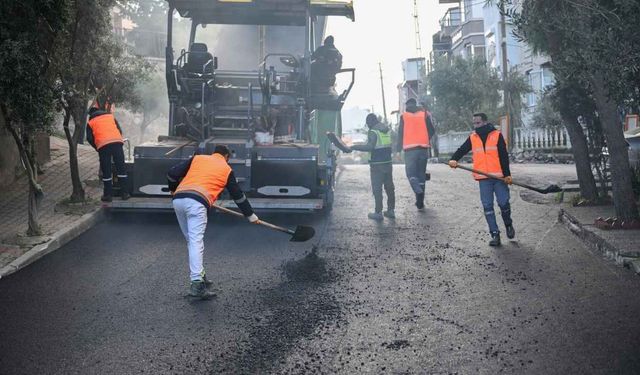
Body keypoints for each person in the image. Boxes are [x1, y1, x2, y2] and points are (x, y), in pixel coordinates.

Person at [167, 145, 260, 299]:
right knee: (196, 241)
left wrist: (173, 190)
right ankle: (196, 284)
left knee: (191, 240)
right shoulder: (226, 169)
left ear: (214, 153)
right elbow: (238, 195)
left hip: (178, 200)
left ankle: (200, 275)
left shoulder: (198, 159)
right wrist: (250, 215)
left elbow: (171, 173)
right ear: (227, 157)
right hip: (196, 203)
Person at [448, 113, 515, 247]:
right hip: (483, 178)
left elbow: (503, 156)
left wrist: (507, 174)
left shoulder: (496, 135)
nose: (476, 125)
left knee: (503, 203)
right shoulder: (473, 137)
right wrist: (454, 159)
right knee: (488, 207)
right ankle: (495, 234)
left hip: (499, 177)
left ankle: (508, 224)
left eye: (478, 123)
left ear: (485, 122)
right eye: (474, 123)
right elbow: (463, 149)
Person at [347, 113, 396, 220]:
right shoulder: (386, 130)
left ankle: (378, 212)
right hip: (387, 163)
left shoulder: (373, 131)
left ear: (371, 121)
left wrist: (354, 147)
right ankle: (391, 210)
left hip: (377, 164)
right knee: (389, 187)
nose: (368, 125)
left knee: (377, 188)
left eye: (368, 123)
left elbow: (370, 147)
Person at [397, 98, 436, 210]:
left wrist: (398, 150)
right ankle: (420, 202)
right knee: (421, 175)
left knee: (411, 174)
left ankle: (417, 191)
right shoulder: (424, 114)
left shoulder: (404, 116)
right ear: (415, 104)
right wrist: (425, 138)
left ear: (407, 105)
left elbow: (400, 134)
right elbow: (432, 130)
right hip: (423, 149)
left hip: (410, 150)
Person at [86, 106, 129, 202]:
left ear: (91, 114)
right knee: (121, 168)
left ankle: (108, 195)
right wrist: (116, 140)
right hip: (117, 143)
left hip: (103, 146)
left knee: (107, 171)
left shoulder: (91, 122)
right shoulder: (110, 117)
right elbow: (119, 130)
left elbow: (89, 138)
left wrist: (97, 147)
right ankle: (125, 193)